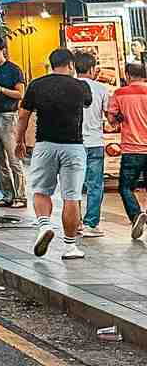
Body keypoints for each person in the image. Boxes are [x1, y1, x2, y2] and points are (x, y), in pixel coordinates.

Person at [16, 46, 92, 260]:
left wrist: (19, 140)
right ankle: (70, 247)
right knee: (72, 196)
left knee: (41, 191)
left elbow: (23, 116)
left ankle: (44, 226)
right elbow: (87, 103)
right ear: (70, 65)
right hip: (74, 147)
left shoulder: (37, 85)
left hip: (45, 145)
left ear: (51, 64)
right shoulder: (81, 86)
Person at [107, 60, 147, 239]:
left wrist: (120, 118)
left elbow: (112, 120)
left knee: (125, 187)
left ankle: (136, 215)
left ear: (128, 75)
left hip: (132, 149)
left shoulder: (120, 93)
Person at [74, 50, 112, 236]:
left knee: (74, 184)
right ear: (92, 68)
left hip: (73, 143)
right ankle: (91, 224)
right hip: (95, 142)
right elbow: (110, 116)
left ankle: (75, 223)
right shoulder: (101, 89)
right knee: (95, 184)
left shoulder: (69, 86)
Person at [0, 41, 27, 208]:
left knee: (13, 158)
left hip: (8, 116)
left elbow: (20, 94)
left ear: (2, 50)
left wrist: (2, 89)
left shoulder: (13, 70)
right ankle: (7, 195)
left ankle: (21, 196)